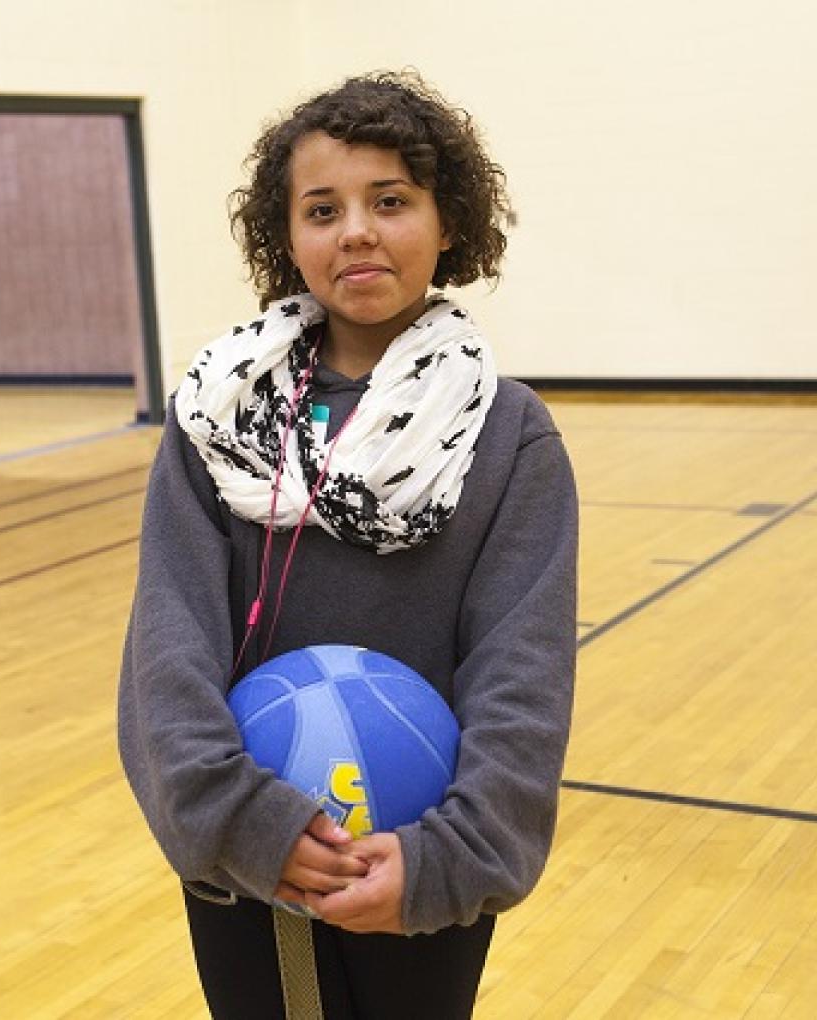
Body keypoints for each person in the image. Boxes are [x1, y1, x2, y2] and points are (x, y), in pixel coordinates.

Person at [118, 70, 578, 1019]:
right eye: (322, 209)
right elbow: (168, 648)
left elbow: (521, 675)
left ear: (448, 222)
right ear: (288, 240)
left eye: (392, 201)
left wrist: (454, 856)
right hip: (244, 854)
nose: (357, 230)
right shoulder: (217, 419)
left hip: (417, 865)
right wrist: (240, 820)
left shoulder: (509, 436)